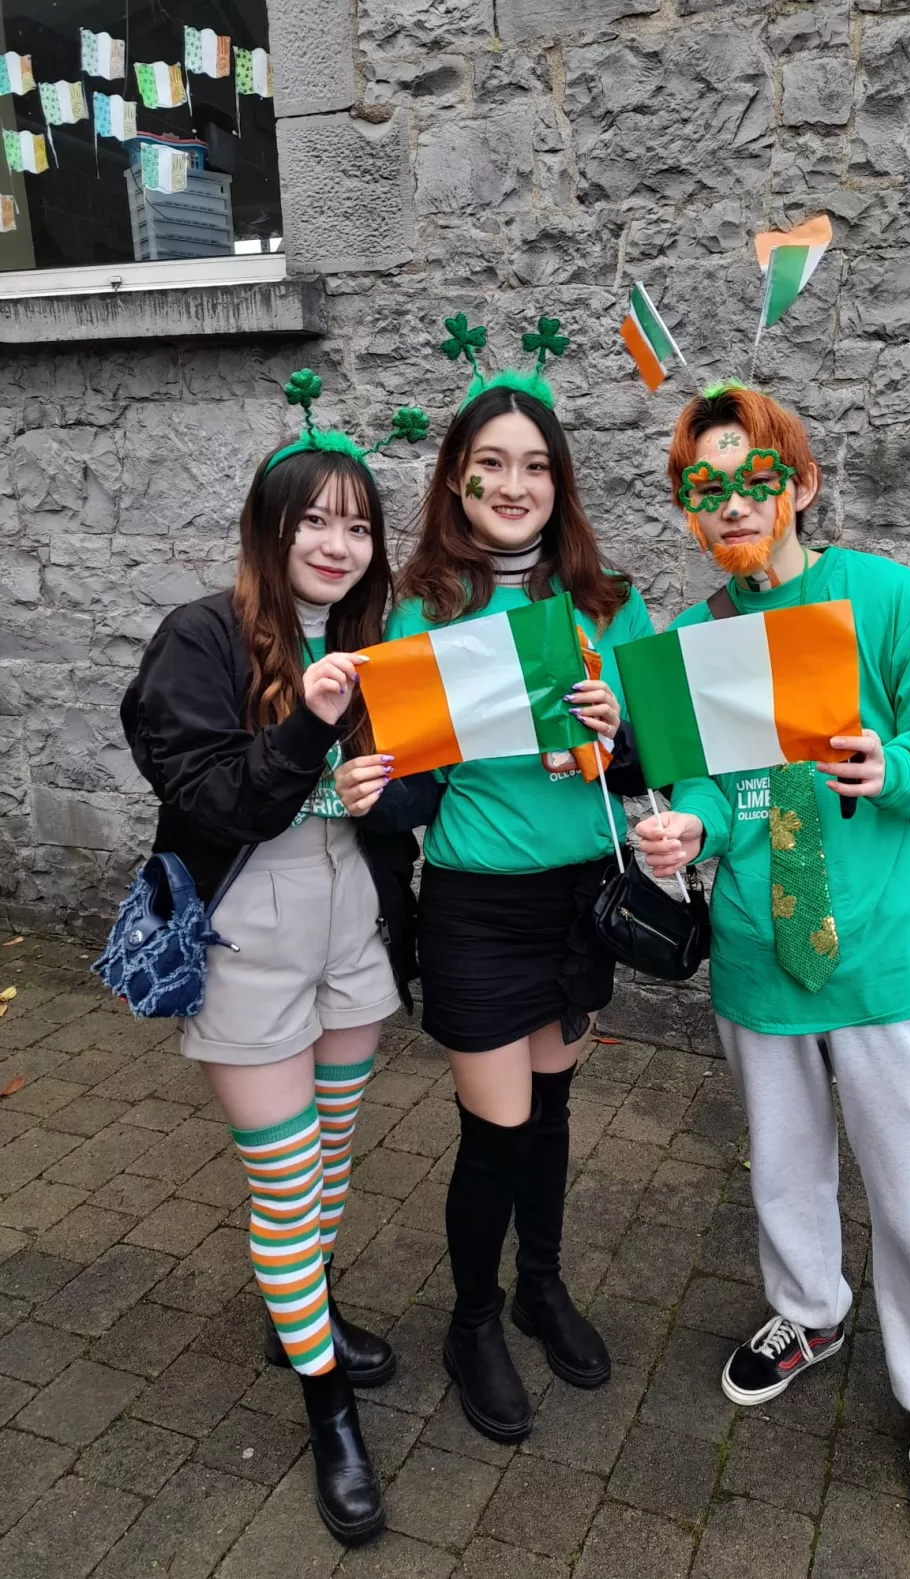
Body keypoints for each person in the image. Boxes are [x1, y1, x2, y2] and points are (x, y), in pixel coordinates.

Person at [635, 381, 910, 1556]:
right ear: (690, 510)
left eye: (753, 479)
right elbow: (702, 787)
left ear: (798, 482)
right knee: (783, 1167)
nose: (732, 504)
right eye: (705, 489)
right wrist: (686, 830)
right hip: (759, 949)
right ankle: (806, 1314)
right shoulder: (692, 641)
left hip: (889, 951)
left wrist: (889, 763)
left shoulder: (884, 599)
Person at [119, 392, 440, 1547]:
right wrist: (307, 727)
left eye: (356, 527)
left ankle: (299, 1310)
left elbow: (421, 792)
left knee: (332, 1151)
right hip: (246, 926)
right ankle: (328, 1405)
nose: (335, 545)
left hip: (355, 915)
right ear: (269, 529)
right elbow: (207, 793)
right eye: (313, 521)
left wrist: (385, 789)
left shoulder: (378, 645)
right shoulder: (199, 637)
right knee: (281, 1178)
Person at [385, 325, 653, 1445]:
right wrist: (425, 752)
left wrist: (613, 728)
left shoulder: (605, 599)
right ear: (457, 477)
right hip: (476, 907)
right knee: (492, 1126)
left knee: (549, 1112)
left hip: (577, 897)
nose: (513, 483)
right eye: (490, 462)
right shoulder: (421, 610)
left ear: (560, 483)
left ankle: (540, 1285)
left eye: (535, 464)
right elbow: (399, 792)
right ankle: (473, 1318)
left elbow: (654, 768)